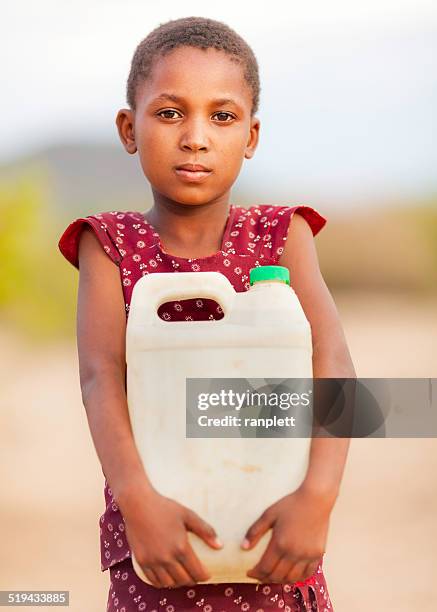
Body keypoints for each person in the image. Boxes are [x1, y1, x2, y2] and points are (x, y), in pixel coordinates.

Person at [58, 16, 355, 612]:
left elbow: (333, 362)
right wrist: (138, 502)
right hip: (159, 546)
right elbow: (100, 377)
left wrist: (318, 497)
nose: (196, 137)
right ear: (129, 127)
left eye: (222, 116)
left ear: (250, 135)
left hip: (273, 539)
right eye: (170, 113)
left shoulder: (282, 235)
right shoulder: (108, 245)